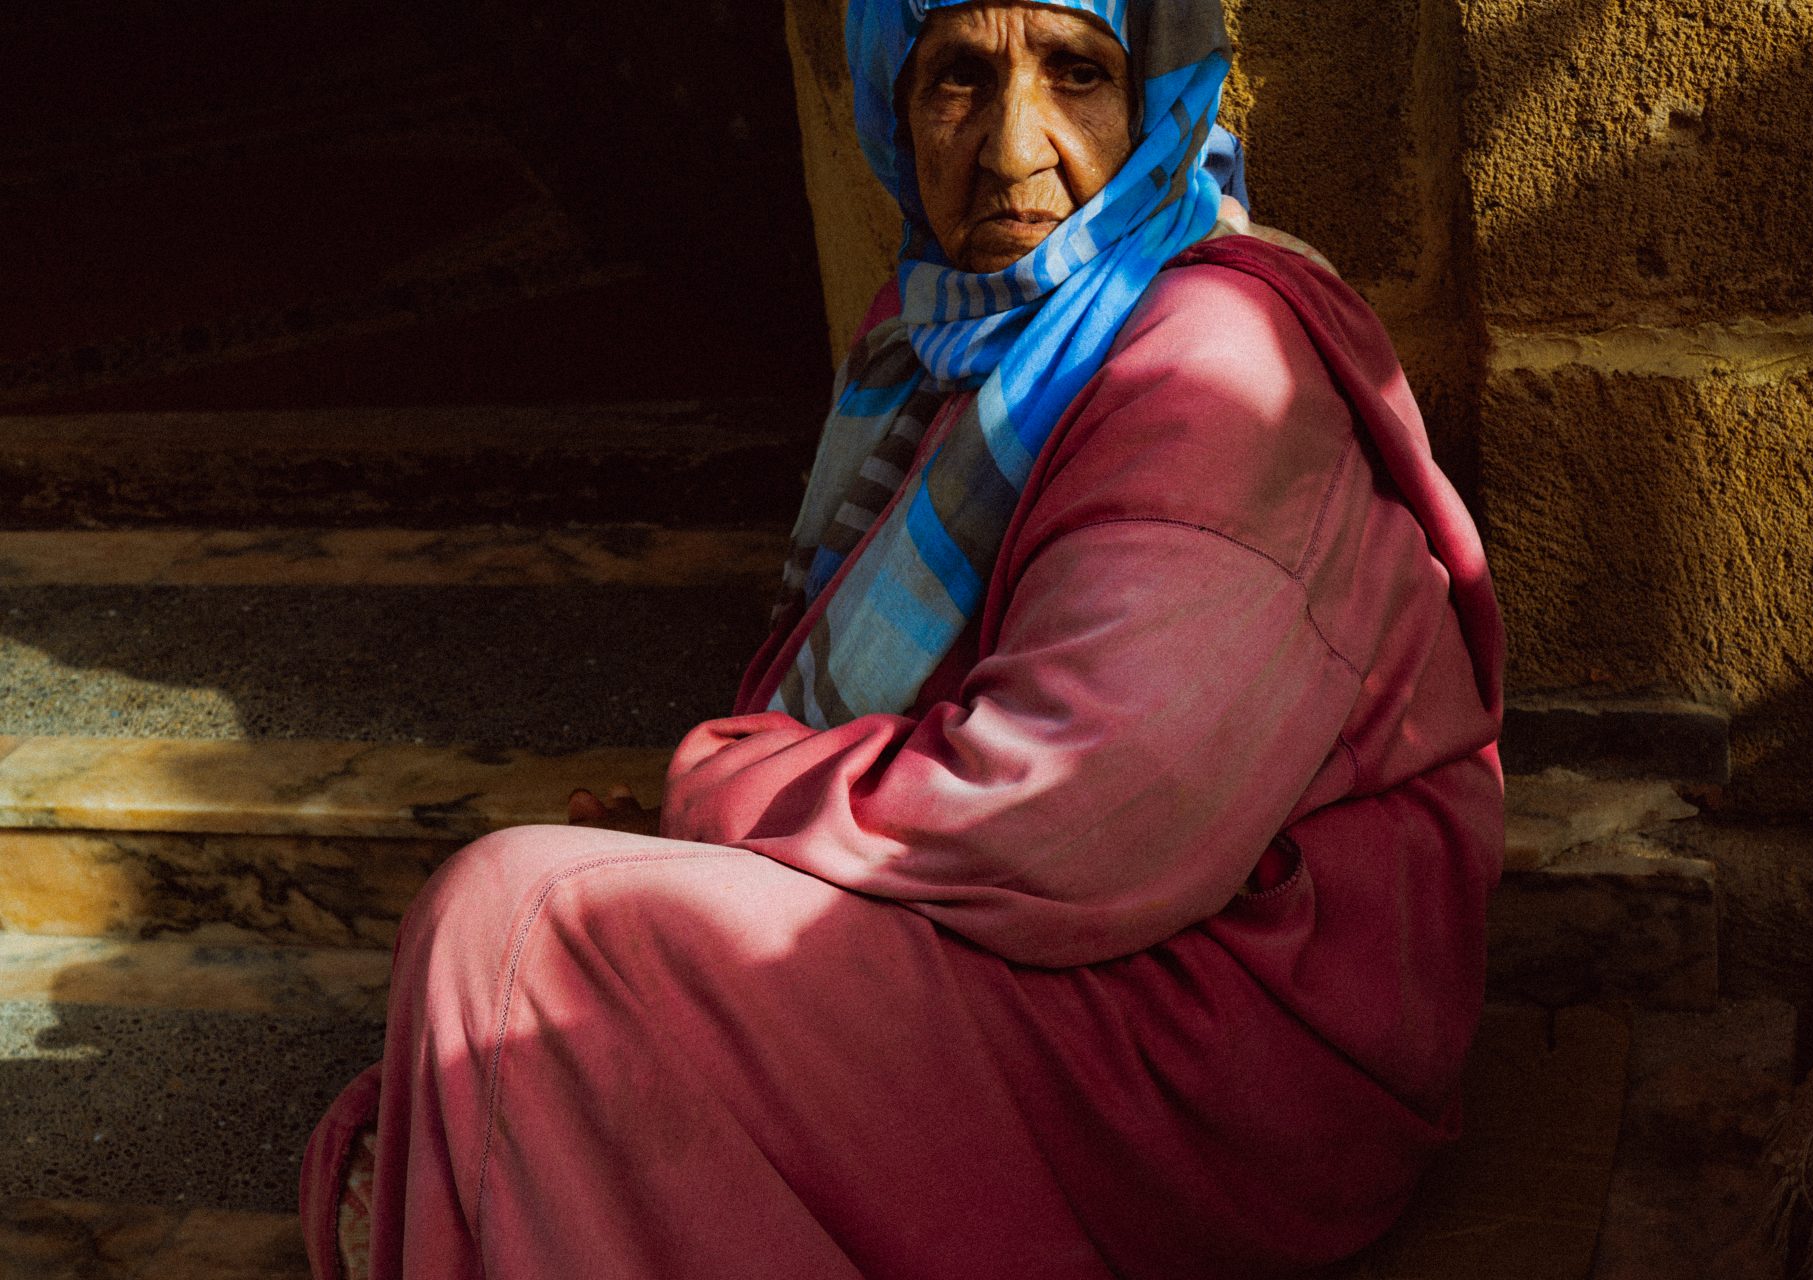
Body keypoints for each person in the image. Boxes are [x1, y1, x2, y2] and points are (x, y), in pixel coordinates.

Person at [300, 0, 1504, 1275]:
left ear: (1160, 93)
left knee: (522, 930)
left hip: (1239, 1046)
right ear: (888, 102)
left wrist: (722, 792)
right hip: (1081, 945)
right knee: (528, 981)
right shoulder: (948, 333)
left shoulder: (1218, 358)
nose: (1010, 149)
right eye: (957, 82)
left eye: (1077, 74)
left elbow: (1076, 811)